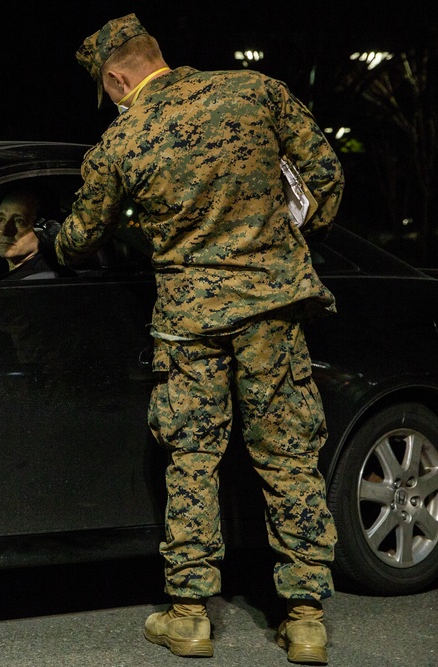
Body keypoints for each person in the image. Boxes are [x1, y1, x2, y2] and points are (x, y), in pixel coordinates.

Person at [50, 13, 344, 665]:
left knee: (192, 458)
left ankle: (189, 616)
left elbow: (78, 238)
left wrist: (50, 239)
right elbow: (324, 176)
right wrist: (294, 237)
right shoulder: (256, 90)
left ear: (116, 77)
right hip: (272, 305)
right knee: (288, 450)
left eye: (110, 91)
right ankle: (305, 621)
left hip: (191, 319)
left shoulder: (123, 138)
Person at [0, 191, 58, 280]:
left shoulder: (45, 279)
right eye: (1, 219)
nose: (4, 231)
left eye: (19, 221)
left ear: (43, 230)